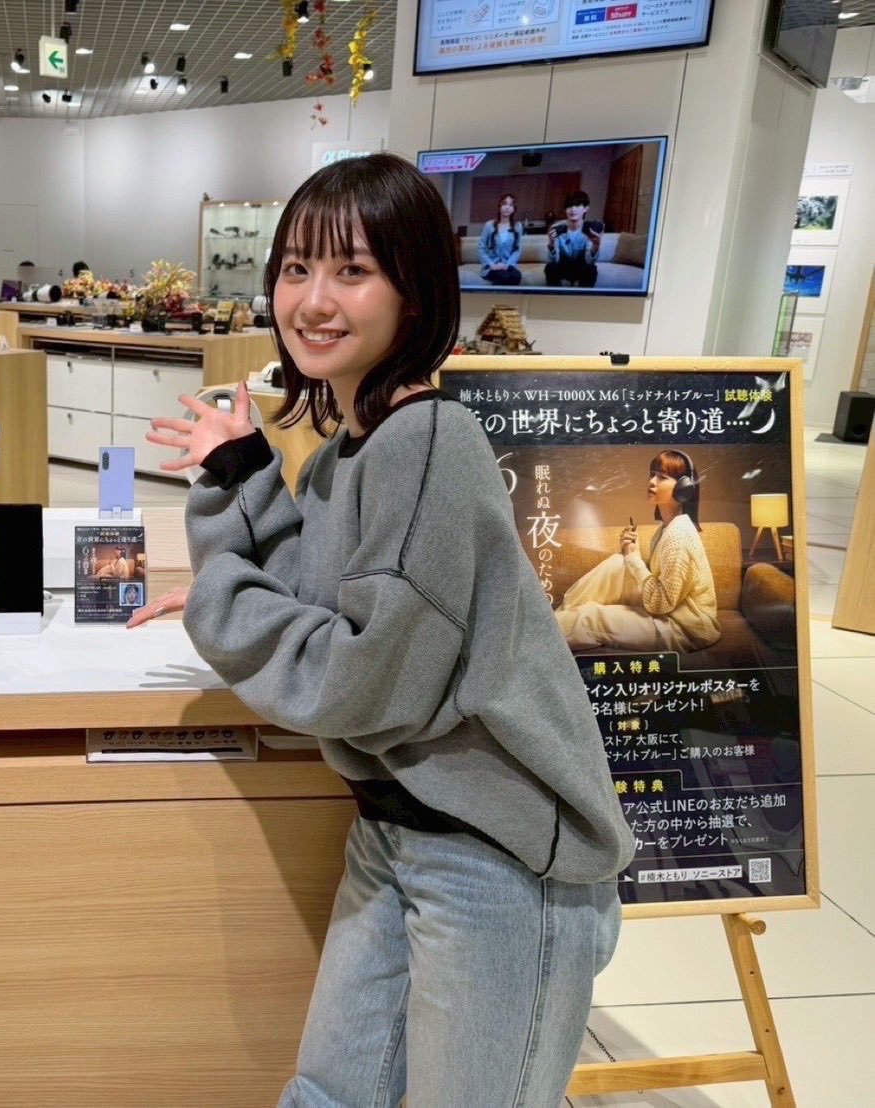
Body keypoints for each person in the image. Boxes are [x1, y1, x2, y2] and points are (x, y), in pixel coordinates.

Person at [128, 153, 632, 1107]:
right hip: (398, 831)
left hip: (495, 857)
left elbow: (357, 677)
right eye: (295, 268)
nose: (312, 300)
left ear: (414, 293)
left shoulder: (427, 442)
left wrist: (220, 605)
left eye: (352, 271)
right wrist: (241, 475)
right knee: (327, 1094)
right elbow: (311, 590)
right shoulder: (351, 450)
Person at [555, 450, 721, 653]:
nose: (651, 482)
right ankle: (558, 616)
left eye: (662, 477)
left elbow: (660, 604)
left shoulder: (678, 535)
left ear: (684, 488)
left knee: (591, 617)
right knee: (617, 563)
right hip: (671, 611)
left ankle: (544, 634)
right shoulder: (666, 528)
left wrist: (634, 559)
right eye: (652, 475)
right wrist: (630, 554)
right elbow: (658, 581)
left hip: (684, 628)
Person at [545, 190, 601, 287]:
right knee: (550, 268)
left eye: (577, 205)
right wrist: (551, 244)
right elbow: (554, 260)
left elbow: (589, 261)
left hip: (581, 266)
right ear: (565, 209)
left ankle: (583, 296)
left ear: (586, 209)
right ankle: (556, 296)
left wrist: (595, 246)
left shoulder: (590, 229)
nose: (573, 209)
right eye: (569, 206)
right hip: (563, 266)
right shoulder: (557, 228)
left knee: (591, 269)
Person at [476, 192, 523, 286]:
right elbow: (481, 248)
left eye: (511, 205)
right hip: (491, 267)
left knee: (517, 276)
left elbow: (518, 249)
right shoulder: (489, 225)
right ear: (499, 207)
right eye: (504, 204)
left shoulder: (517, 226)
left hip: (508, 266)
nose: (507, 207)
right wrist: (492, 265)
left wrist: (507, 265)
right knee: (504, 276)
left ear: (514, 209)